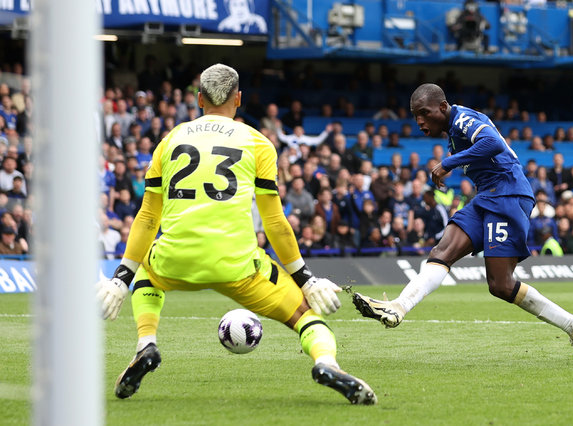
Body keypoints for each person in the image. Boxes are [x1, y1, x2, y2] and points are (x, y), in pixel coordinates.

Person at [95, 64, 376, 404]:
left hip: (176, 258)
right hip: (238, 264)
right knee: (305, 316)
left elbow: (147, 215)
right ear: (238, 98)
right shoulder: (258, 143)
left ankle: (146, 344)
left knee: (146, 275)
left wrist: (121, 278)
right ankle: (325, 363)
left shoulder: (169, 141)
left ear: (199, 99)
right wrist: (306, 279)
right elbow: (275, 222)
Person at [351, 83, 573, 362]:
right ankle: (398, 307)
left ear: (442, 107)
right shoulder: (453, 131)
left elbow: (493, 143)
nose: (419, 121)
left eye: (424, 113)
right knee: (441, 253)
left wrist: (449, 162)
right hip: (486, 197)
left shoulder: (463, 119)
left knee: (500, 285)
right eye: (414, 115)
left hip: (508, 194)